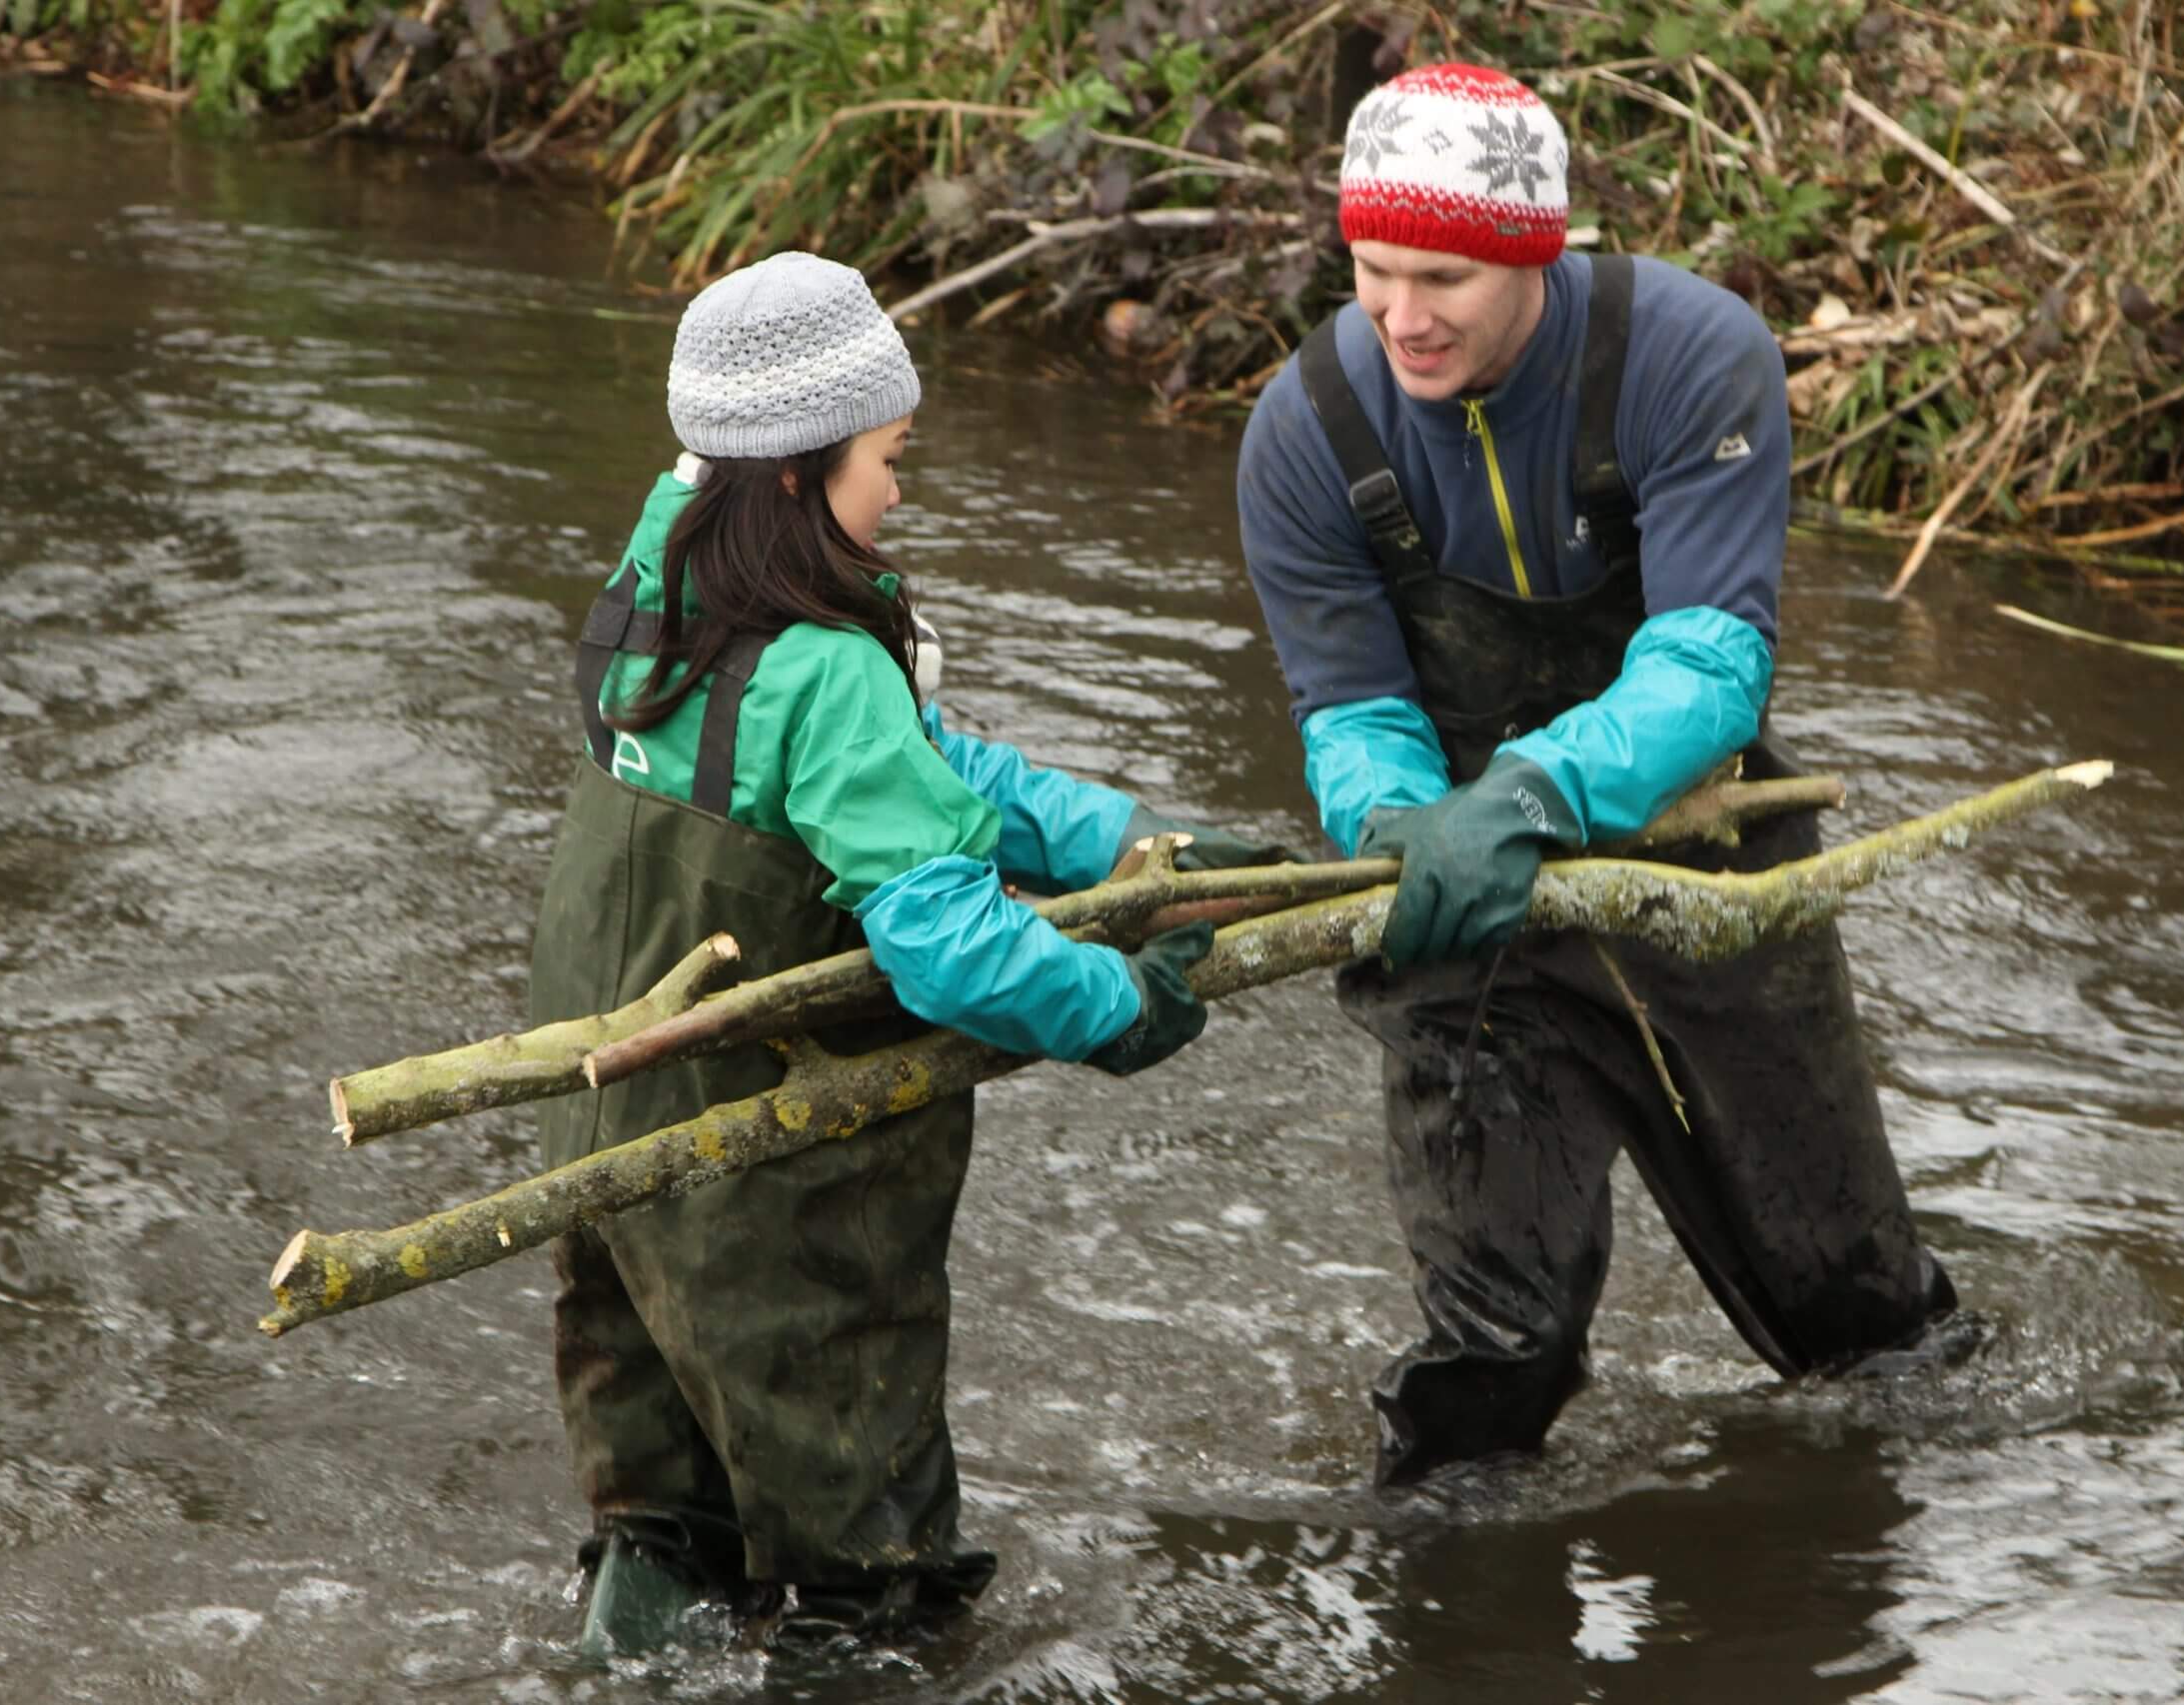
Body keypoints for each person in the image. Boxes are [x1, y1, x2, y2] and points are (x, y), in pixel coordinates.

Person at [527, 251, 1284, 1657]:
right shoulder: (832, 670)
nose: (898, 491)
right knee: (865, 1585)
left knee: (665, 1521)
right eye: (889, 456)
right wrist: (1121, 1001)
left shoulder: (658, 594)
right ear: (798, 471)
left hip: (610, 1137)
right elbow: (947, 947)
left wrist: (1131, 845)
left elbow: (919, 773)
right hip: (778, 1181)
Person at [1234, 63, 1965, 1489]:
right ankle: (1444, 1575)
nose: (1399, 315)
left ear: (1535, 254)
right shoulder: (1307, 428)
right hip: (1467, 919)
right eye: (1372, 270)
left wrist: (1527, 796)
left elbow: (1710, 669)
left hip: (1708, 890)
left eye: (1441, 277)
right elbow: (1352, 707)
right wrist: (1399, 827)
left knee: (1862, 1322)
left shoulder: (1689, 355)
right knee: (1493, 1364)